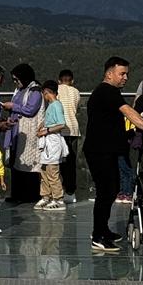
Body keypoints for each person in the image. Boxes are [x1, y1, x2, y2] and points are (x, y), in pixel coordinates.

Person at [85, 57, 143, 252]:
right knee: (106, 192)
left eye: (127, 73)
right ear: (109, 73)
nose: (125, 77)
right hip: (99, 150)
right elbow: (129, 111)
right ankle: (98, 236)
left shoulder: (109, 92)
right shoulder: (107, 91)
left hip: (107, 150)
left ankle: (103, 229)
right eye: (122, 73)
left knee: (112, 189)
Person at [4, 64, 43, 204]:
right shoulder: (20, 90)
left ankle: (30, 194)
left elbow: (30, 110)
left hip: (28, 132)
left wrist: (13, 107)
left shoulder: (35, 91)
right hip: (16, 130)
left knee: (29, 163)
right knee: (16, 162)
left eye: (17, 79)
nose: (15, 82)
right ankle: (17, 193)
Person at [36, 81, 69, 211]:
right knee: (44, 170)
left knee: (52, 171)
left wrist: (47, 130)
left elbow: (61, 124)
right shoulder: (51, 106)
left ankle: (58, 199)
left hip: (53, 141)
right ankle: (46, 196)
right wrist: (42, 125)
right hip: (47, 141)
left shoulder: (56, 105)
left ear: (46, 92)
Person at [57, 69, 81, 204]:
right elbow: (75, 108)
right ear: (72, 81)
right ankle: (70, 192)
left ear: (59, 80)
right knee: (71, 162)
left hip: (60, 129)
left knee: (59, 162)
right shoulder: (76, 92)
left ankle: (58, 190)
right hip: (73, 129)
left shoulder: (56, 90)